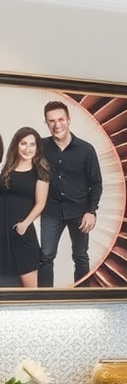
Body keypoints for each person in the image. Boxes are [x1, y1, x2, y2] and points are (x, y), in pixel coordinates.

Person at [38, 100, 102, 287]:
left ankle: (84, 298)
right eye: (51, 121)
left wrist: (91, 212)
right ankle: (44, 300)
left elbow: (97, 184)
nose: (57, 125)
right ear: (46, 123)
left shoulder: (86, 150)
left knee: (81, 256)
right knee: (45, 256)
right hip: (51, 211)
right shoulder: (40, 147)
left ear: (69, 120)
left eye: (61, 119)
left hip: (79, 212)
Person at [0, 127, 50, 288]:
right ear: (16, 145)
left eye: (32, 144)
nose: (28, 149)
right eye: (23, 143)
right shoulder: (6, 169)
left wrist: (25, 224)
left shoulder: (40, 172)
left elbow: (40, 203)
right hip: (3, 235)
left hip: (21, 233)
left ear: (37, 148)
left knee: (30, 289)